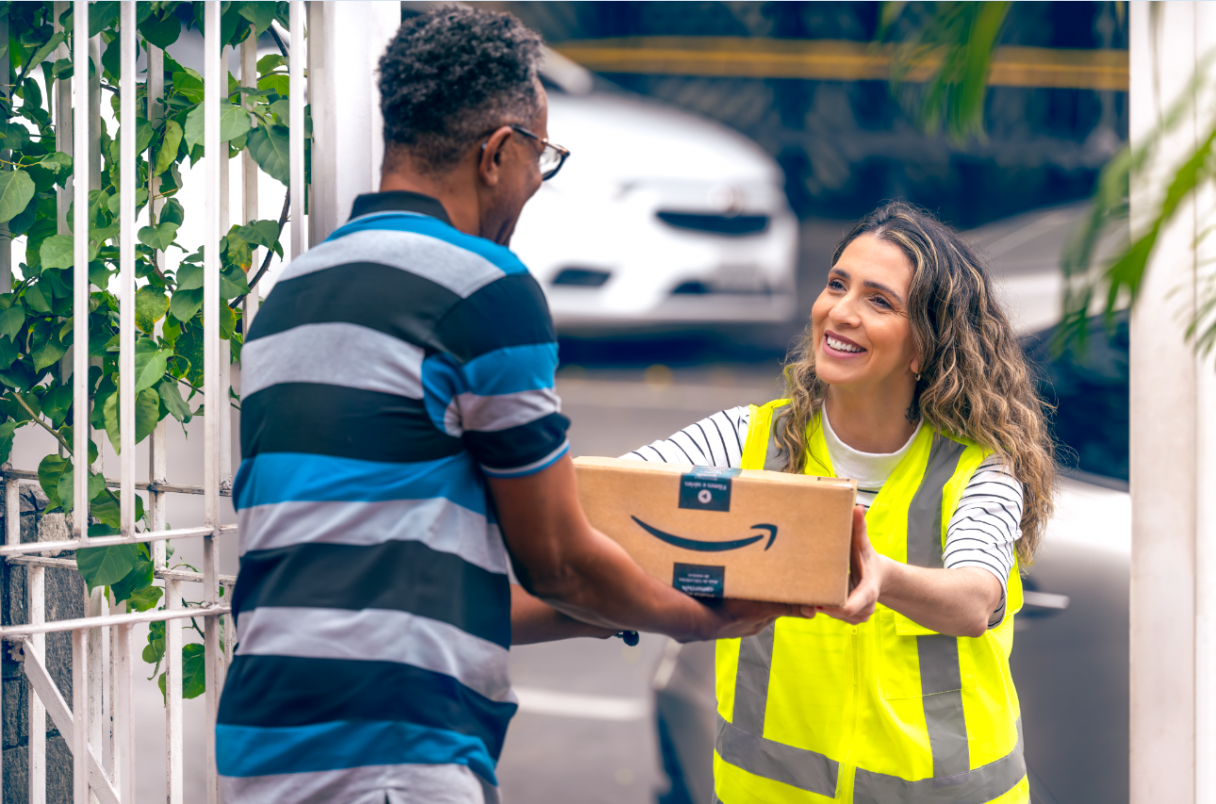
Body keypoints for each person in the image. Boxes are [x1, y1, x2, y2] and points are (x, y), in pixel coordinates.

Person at [214, 8, 810, 804]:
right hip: (396, 747)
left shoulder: (292, 297)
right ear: (498, 152)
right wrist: (698, 617)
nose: (536, 183)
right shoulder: (482, 289)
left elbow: (429, 582)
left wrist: (611, 609)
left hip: (263, 745)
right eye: (543, 157)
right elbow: (554, 557)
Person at [627, 201, 1056, 804]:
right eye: (836, 285)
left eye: (879, 301)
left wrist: (882, 577)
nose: (841, 312)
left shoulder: (980, 470)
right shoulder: (747, 440)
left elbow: (975, 598)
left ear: (924, 348)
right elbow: (616, 497)